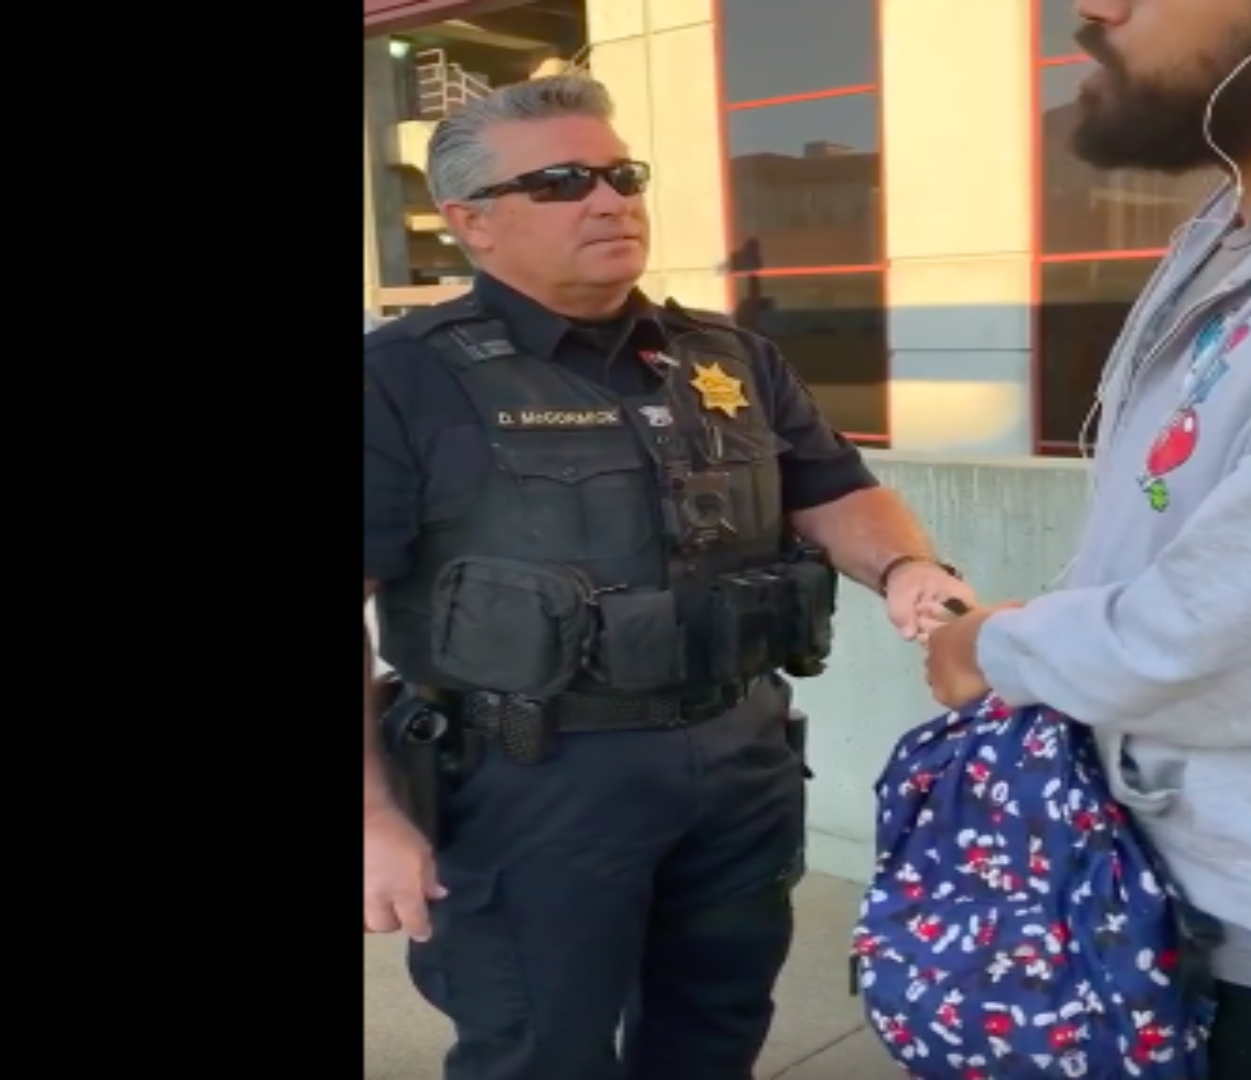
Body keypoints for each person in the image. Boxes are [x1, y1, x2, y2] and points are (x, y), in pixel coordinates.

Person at [361, 73, 975, 1080]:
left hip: (740, 758)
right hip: (530, 783)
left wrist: (907, 566)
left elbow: (832, 490)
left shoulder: (725, 357)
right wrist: (376, 820)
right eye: (560, 183)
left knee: (715, 1032)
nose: (609, 200)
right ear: (472, 223)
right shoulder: (399, 381)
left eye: (620, 174)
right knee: (539, 1056)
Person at [922, 1, 1251, 1077]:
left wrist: (992, 647)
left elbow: (1223, 642)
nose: (1094, 9)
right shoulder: (1238, 241)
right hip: (1197, 898)